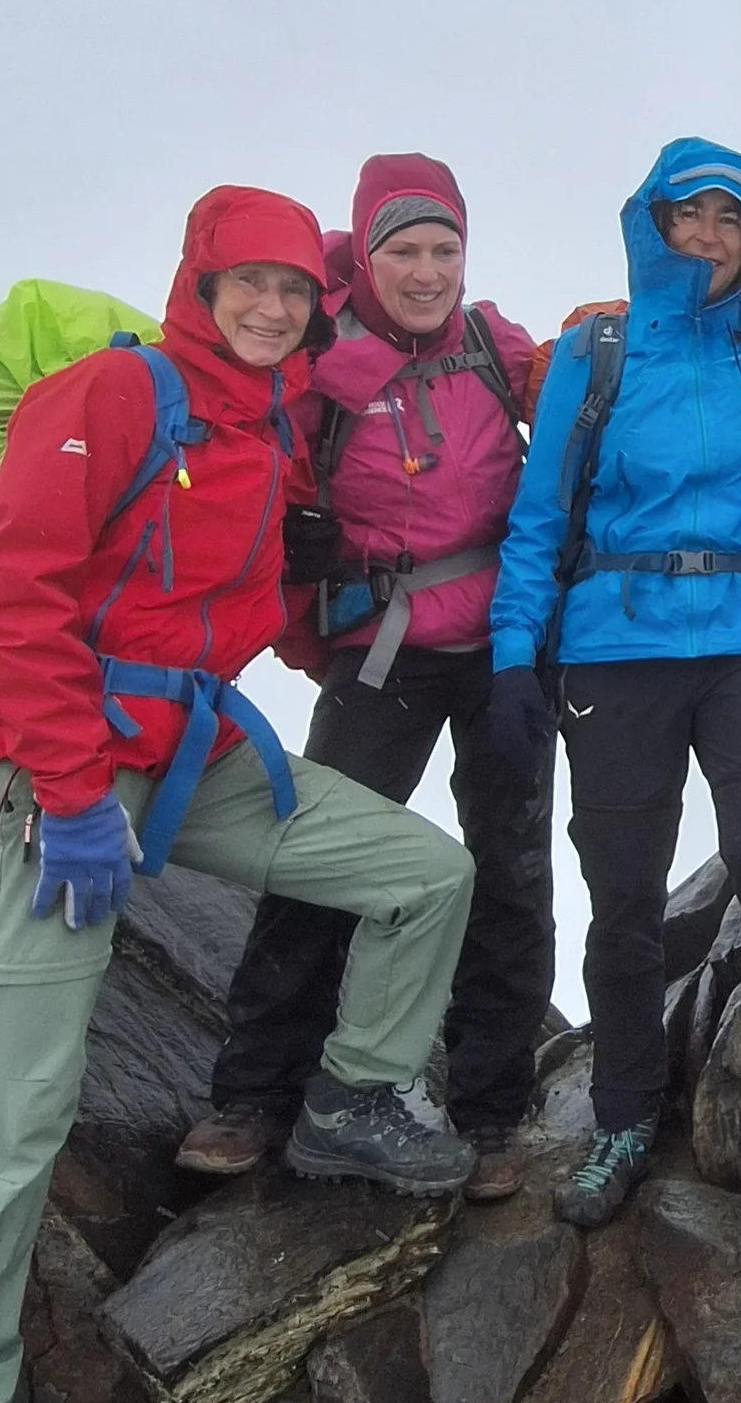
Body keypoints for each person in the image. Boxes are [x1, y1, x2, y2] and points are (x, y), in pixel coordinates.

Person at [0, 188, 476, 1403]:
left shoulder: (268, 433)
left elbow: (226, 612)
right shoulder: (111, 393)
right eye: (246, 283)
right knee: (20, 1108)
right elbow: (8, 595)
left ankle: (353, 1095)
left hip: (186, 752)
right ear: (199, 285)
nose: (272, 307)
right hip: (42, 770)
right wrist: (73, 787)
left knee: (423, 872)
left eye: (293, 290)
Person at [484, 139, 741, 1275]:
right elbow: (538, 513)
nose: (708, 235)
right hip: (614, 647)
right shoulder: (595, 349)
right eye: (691, 213)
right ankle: (623, 1116)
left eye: (733, 222)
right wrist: (512, 655)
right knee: (621, 896)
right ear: (654, 221)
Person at [180, 154, 550, 1202]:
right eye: (403, 250)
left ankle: (491, 1109)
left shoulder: (493, 347)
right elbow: (258, 461)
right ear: (366, 256)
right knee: (317, 861)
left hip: (504, 645)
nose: (427, 271)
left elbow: (577, 391)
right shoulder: (317, 362)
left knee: (510, 869)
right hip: (382, 647)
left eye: (445, 249)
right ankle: (255, 1095)